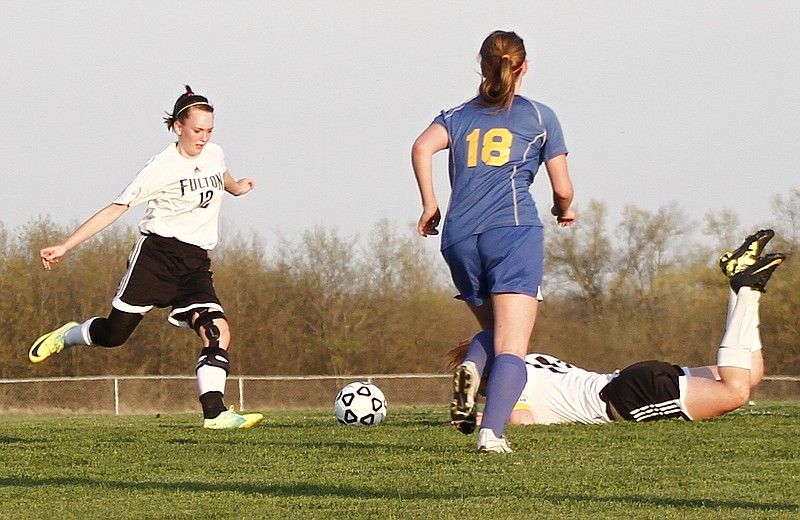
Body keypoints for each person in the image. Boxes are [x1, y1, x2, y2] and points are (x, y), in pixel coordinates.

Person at [29, 86, 263, 429]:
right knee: (114, 335)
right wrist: (66, 246)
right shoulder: (160, 168)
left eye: (209, 131)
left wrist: (237, 188)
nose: (203, 138)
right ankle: (69, 334)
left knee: (217, 331)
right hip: (156, 259)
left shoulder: (214, 153)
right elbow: (115, 209)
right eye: (197, 131)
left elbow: (220, 175)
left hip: (196, 263)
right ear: (177, 127)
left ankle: (215, 414)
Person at [411, 30, 575, 453]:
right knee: (513, 347)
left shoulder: (457, 115)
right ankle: (492, 433)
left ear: (483, 66)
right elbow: (563, 188)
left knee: (497, 332)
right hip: (514, 232)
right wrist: (563, 211)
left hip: (459, 238)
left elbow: (421, 147)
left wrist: (430, 204)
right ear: (523, 67)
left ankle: (471, 364)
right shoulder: (540, 117)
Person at [447, 230, 785, 426]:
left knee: (736, 391)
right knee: (750, 374)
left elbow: (523, 420)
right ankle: (741, 288)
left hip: (625, 398)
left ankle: (748, 287)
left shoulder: (514, 377)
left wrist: (484, 418)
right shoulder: (530, 358)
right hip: (630, 380)